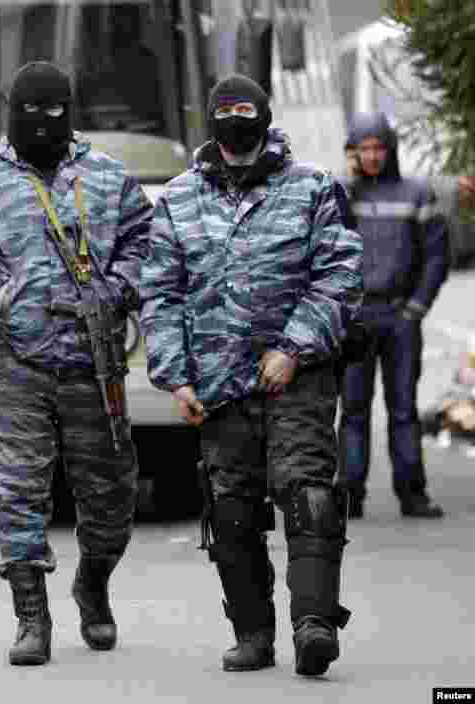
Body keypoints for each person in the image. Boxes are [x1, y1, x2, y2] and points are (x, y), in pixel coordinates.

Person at [139, 74, 362, 677]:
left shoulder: (313, 188)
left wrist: (294, 346)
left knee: (307, 494)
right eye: (226, 111)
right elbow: (159, 294)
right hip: (217, 385)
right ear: (210, 121)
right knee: (231, 509)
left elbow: (340, 276)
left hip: (297, 378)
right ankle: (253, 634)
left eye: (247, 110)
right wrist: (175, 377)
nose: (237, 120)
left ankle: (313, 625)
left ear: (265, 117)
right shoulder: (179, 198)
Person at [0, 61, 149, 666]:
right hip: (20, 361)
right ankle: (32, 615)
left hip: (95, 362)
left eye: (56, 112)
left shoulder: (107, 177)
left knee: (111, 499)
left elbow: (145, 243)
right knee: (20, 491)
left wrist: (120, 288)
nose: (44, 124)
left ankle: (93, 583)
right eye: (32, 112)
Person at [337, 112, 450, 519]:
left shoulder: (417, 194)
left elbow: (436, 256)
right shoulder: (340, 195)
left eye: (378, 147)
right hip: (356, 316)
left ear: (390, 149)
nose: (371, 156)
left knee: (403, 409)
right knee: (352, 409)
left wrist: (415, 309)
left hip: (400, 316)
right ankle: (349, 494)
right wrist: (347, 185)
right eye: (362, 148)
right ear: (352, 152)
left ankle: (412, 493)